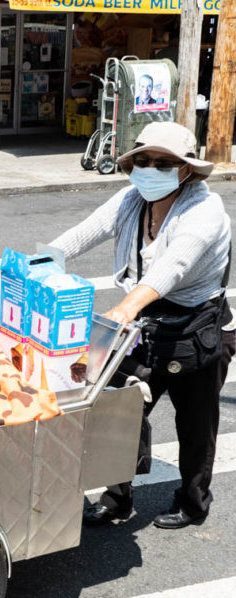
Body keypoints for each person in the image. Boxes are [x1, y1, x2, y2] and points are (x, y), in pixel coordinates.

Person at [49, 121, 233, 529]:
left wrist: (123, 310)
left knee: (196, 424)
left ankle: (192, 501)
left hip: (197, 328)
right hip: (145, 324)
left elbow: (173, 267)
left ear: (185, 169)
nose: (149, 169)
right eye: (142, 161)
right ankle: (117, 497)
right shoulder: (131, 200)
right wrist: (33, 267)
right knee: (117, 411)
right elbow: (81, 235)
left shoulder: (205, 212)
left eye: (163, 163)